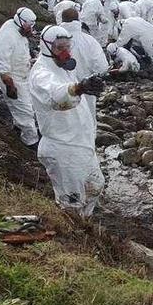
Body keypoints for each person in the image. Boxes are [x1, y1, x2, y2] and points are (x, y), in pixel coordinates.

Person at [30, 25, 106, 217]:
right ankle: (74, 235)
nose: (65, 52)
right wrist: (79, 88)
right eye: (59, 47)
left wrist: (86, 86)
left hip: (80, 143)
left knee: (95, 186)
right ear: (47, 47)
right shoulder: (41, 73)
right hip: (62, 147)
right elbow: (57, 95)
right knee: (71, 202)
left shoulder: (62, 68)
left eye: (68, 46)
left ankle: (84, 223)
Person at [0, 7, 39, 147]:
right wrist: (10, 85)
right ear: (20, 21)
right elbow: (0, 62)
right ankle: (30, 141)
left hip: (23, 74)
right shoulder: (7, 36)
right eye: (28, 26)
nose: (30, 29)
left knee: (27, 106)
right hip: (12, 78)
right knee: (25, 111)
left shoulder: (16, 29)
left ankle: (17, 127)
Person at [59, 8, 109, 125]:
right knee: (88, 122)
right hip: (86, 90)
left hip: (61, 91)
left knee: (64, 122)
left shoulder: (54, 43)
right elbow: (102, 67)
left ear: (62, 21)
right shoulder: (89, 41)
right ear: (78, 20)